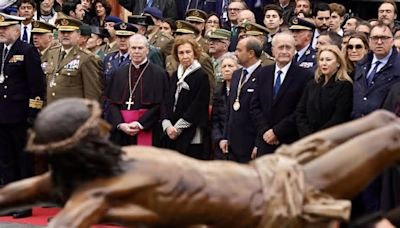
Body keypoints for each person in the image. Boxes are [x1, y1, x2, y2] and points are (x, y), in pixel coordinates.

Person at [3, 98, 400, 227]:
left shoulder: (109, 161)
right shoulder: (99, 192)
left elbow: (14, 192)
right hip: (279, 198)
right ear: (81, 145)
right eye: (96, 127)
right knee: (392, 136)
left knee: (383, 120)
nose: (105, 127)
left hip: (273, 167)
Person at [0, 12, 45, 218]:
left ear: (16, 31)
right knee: (6, 160)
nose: (1, 32)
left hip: (20, 115)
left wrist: (33, 113)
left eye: (5, 29)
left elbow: (37, 85)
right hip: (2, 114)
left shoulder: (27, 51)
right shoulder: (1, 50)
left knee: (23, 160)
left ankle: (25, 203)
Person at [250, 31, 311, 157]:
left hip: (290, 141)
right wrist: (265, 131)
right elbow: (255, 106)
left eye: (288, 47)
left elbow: (300, 109)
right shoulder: (262, 73)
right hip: (265, 140)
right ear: (273, 50)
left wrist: (277, 132)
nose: (284, 51)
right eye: (280, 47)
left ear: (294, 50)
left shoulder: (305, 76)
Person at [104, 34, 168, 147]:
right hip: (122, 130)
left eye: (140, 48)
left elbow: (161, 104)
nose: (136, 51)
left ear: (147, 50)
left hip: (147, 128)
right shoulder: (119, 73)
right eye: (133, 48)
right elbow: (112, 103)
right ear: (128, 50)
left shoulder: (159, 74)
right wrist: (120, 124)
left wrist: (140, 124)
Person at [161, 37, 210, 160]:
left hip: (190, 131)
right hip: (171, 130)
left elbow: (197, 106)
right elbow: (167, 100)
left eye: (188, 52)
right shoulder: (175, 74)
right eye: (181, 53)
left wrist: (178, 128)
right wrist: (167, 124)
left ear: (195, 53)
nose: (185, 56)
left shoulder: (201, 76)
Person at [42, 15, 103, 104]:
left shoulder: (87, 58)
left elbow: (92, 93)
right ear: (58, 33)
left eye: (69, 32)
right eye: (63, 32)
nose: (65, 35)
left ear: (78, 34)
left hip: (73, 113)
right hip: (52, 110)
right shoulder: (52, 52)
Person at [295, 45, 353, 138]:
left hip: (330, 139)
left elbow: (339, 117)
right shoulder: (312, 84)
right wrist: (307, 135)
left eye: (328, 60)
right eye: (321, 60)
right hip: (306, 138)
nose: (324, 63)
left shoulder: (345, 86)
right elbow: (300, 112)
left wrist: (317, 137)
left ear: (338, 63)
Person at [221, 36, 262, 163]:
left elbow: (264, 113)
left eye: (239, 50)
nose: (235, 53)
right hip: (233, 143)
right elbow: (230, 109)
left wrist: (258, 143)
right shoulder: (237, 74)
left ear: (250, 53)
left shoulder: (264, 75)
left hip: (251, 142)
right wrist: (225, 136)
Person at [211, 53, 239, 160]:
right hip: (221, 145)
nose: (227, 69)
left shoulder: (243, 90)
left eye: (230, 66)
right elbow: (215, 120)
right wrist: (219, 139)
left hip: (238, 144)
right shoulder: (218, 91)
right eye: (224, 66)